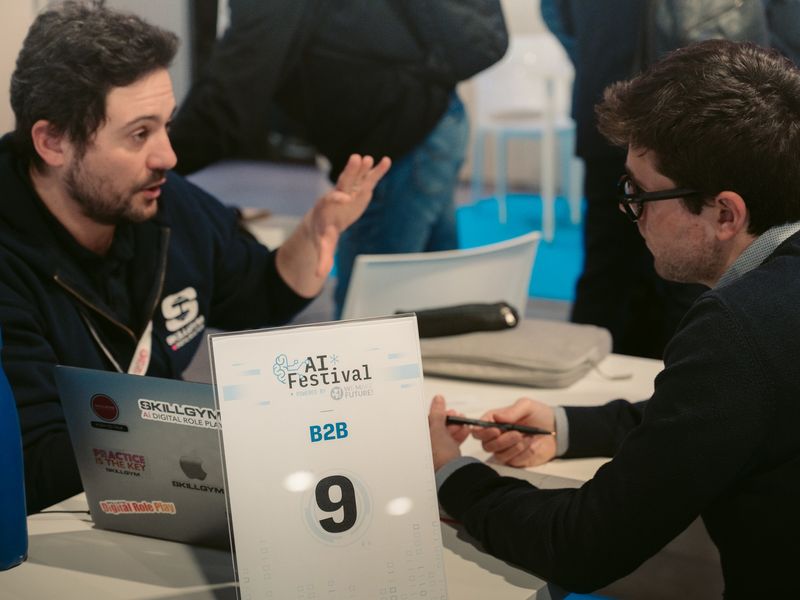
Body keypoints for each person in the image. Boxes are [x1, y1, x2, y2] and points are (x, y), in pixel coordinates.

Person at [428, 40, 800, 597]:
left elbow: (581, 545)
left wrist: (452, 475)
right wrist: (567, 426)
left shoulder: (740, 327)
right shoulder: (768, 323)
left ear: (725, 213)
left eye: (639, 192)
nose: (630, 212)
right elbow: (717, 411)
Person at [0, 1, 390, 514]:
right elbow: (33, 470)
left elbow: (253, 296)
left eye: (167, 125)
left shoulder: (162, 205)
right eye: (139, 134)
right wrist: (218, 433)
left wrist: (311, 237)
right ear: (53, 142)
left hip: (159, 496)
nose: (168, 156)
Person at [168, 0, 507, 317]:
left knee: (370, 319)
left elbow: (233, 93)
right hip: (435, 120)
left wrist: (160, 162)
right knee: (431, 297)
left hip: (396, 143)